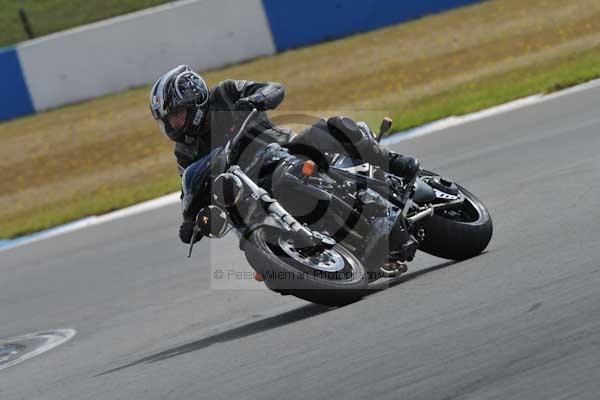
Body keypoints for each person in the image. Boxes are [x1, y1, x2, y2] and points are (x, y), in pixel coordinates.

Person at [149, 65, 419, 244]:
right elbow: (190, 187)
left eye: (177, 113)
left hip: (285, 150)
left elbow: (273, 88)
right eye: (169, 119)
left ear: (194, 99)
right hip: (252, 187)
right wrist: (190, 221)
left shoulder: (226, 93)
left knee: (334, 126)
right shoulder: (185, 150)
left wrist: (257, 99)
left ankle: (391, 163)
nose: (174, 123)